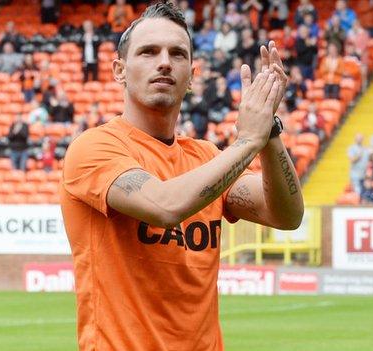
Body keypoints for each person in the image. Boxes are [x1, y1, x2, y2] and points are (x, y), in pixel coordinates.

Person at [60, 3, 302, 350]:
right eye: (148, 52)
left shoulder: (205, 157)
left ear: (192, 74)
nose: (164, 62)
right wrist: (249, 140)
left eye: (177, 53)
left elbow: (286, 215)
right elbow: (164, 205)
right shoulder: (94, 148)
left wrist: (270, 132)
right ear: (120, 70)